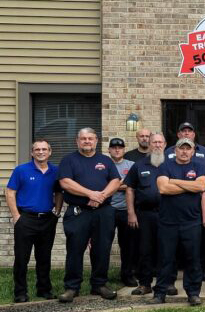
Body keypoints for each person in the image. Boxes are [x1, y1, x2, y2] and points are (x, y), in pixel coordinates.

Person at [57, 128, 121, 303]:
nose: (87, 141)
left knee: (102, 248)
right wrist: (90, 194)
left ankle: (99, 285)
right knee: (75, 249)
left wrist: (101, 197)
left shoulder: (105, 160)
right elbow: (66, 183)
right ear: (77, 141)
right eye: (83, 139)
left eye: (90, 138)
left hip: (103, 211)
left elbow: (115, 181)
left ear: (96, 141)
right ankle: (72, 287)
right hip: (79, 212)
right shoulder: (68, 160)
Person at [149, 138, 205, 306]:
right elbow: (163, 188)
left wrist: (173, 181)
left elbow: (201, 187)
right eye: (181, 148)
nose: (184, 151)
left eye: (188, 149)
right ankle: (160, 293)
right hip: (168, 223)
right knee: (166, 259)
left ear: (193, 151)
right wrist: (190, 185)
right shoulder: (165, 166)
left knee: (193, 260)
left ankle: (193, 293)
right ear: (175, 150)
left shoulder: (199, 166)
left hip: (192, 222)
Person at [6, 139, 62, 303]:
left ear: (50, 152)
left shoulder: (55, 171)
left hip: (47, 219)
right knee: (22, 258)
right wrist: (16, 216)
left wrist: (57, 212)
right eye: (37, 149)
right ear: (32, 152)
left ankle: (44, 289)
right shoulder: (21, 170)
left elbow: (59, 192)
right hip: (26, 219)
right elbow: (10, 192)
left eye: (44, 149)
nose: (41, 152)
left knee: (44, 257)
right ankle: (20, 292)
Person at [124, 133, 167, 296]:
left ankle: (166, 283)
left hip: (167, 215)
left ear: (165, 144)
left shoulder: (172, 164)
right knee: (144, 250)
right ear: (148, 144)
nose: (157, 145)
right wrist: (131, 213)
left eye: (160, 142)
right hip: (144, 214)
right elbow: (130, 189)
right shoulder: (139, 165)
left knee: (166, 249)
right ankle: (145, 284)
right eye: (154, 142)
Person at [107, 137, 138, 287]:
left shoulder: (132, 165)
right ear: (109, 150)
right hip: (107, 209)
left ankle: (127, 275)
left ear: (124, 149)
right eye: (114, 147)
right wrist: (124, 184)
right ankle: (102, 276)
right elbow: (101, 184)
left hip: (126, 210)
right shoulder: (104, 164)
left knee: (128, 245)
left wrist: (112, 185)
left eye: (120, 147)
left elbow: (134, 185)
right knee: (104, 244)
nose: (117, 149)